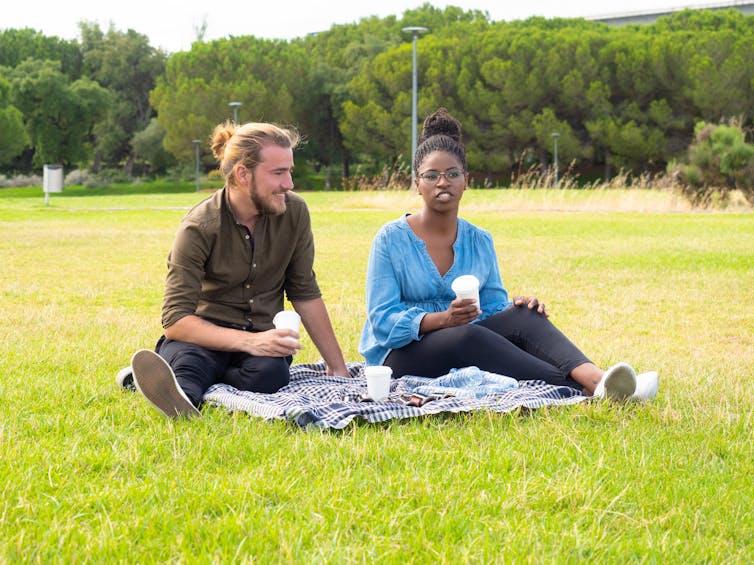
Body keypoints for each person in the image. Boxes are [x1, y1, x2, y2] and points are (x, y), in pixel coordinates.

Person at [358, 108, 658, 401]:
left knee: (524, 315)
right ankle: (579, 389)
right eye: (431, 175)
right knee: (467, 336)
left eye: (452, 173)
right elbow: (383, 320)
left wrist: (514, 310)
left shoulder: (479, 241)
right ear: (417, 184)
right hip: (399, 356)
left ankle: (597, 378)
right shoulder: (391, 239)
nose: (442, 182)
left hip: (465, 338)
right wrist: (443, 319)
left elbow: (490, 310)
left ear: (466, 181)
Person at [131, 120, 348, 418]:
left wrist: (337, 366)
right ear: (243, 175)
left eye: (290, 171)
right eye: (278, 173)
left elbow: (304, 292)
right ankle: (178, 395)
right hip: (203, 339)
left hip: (260, 345)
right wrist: (250, 341)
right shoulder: (198, 227)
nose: (289, 184)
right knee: (189, 367)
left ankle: (175, 382)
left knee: (271, 375)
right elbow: (176, 320)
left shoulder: (295, 213)